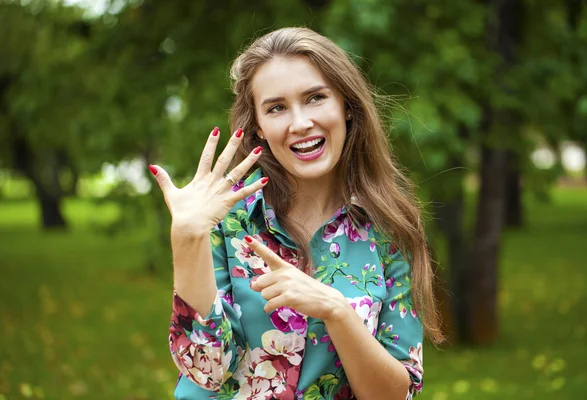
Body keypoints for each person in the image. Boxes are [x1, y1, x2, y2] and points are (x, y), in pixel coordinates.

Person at [148, 27, 443, 400]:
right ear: (258, 125)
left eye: (315, 98)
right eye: (276, 108)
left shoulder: (390, 227)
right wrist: (187, 239)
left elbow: (395, 395)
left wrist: (336, 311)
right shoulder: (223, 216)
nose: (300, 123)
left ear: (346, 105)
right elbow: (206, 371)